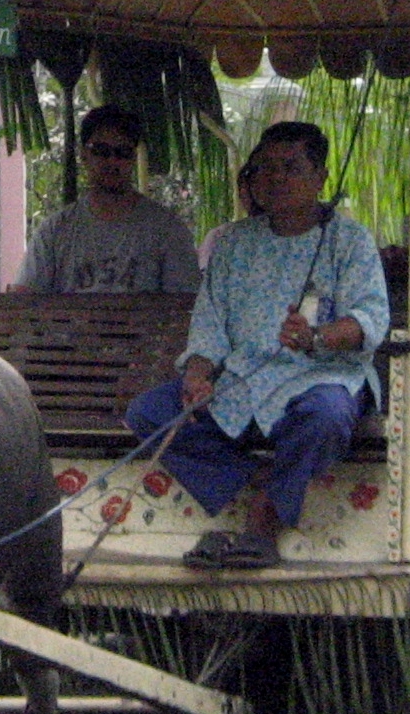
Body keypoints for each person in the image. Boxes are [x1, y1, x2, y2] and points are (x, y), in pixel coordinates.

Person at [125, 121, 390, 569]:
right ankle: (261, 482)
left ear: (321, 176)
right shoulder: (234, 243)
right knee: (150, 413)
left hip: (321, 378)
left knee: (325, 417)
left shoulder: (350, 239)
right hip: (242, 384)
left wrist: (318, 337)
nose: (277, 179)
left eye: (291, 167)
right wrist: (197, 374)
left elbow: (371, 320)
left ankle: (265, 516)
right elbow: (209, 323)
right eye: (266, 168)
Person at [17, 106, 201, 294]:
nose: (112, 161)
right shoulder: (55, 231)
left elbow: (185, 307)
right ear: (84, 155)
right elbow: (24, 302)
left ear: (133, 159)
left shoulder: (167, 230)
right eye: (101, 151)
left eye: (123, 152)